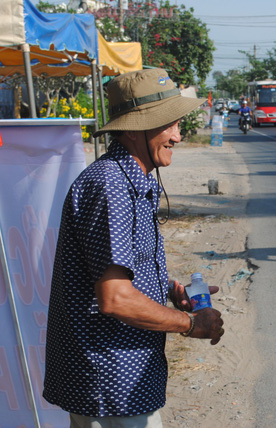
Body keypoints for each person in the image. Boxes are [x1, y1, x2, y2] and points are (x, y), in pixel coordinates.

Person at [43, 69, 225, 426]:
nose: (177, 135)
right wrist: (189, 323)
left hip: (122, 378)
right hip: (110, 382)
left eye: (177, 123)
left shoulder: (134, 181)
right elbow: (115, 298)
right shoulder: (112, 185)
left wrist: (169, 291)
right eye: (167, 125)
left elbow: (122, 271)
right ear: (131, 129)